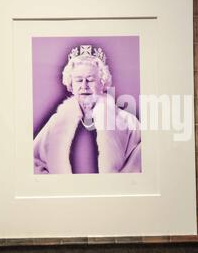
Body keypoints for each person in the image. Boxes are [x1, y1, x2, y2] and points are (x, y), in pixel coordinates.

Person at [33, 45, 141, 174]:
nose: (84, 86)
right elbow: (33, 162)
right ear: (71, 85)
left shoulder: (127, 121)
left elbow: (144, 159)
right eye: (78, 80)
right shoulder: (56, 123)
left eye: (90, 80)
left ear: (103, 83)